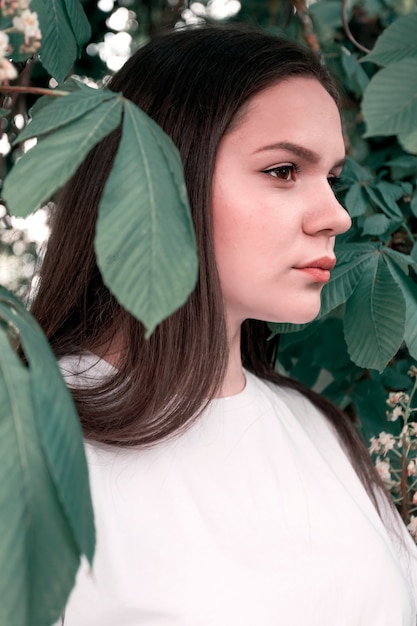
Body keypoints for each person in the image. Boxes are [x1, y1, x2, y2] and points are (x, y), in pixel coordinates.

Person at [32, 26, 417, 626]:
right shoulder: (34, 435)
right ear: (155, 182)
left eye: (333, 178)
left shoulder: (318, 428)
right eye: (285, 170)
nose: (337, 216)